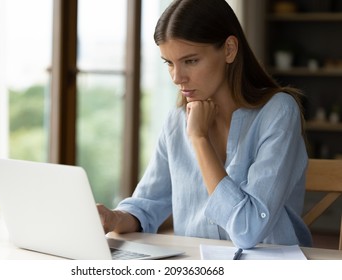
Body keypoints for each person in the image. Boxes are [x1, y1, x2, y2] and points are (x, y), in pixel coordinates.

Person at [97, 0, 312, 249]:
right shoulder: (177, 120)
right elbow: (147, 205)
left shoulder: (278, 112)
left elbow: (248, 230)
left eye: (190, 61)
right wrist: (113, 218)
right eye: (169, 63)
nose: (177, 77)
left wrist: (199, 140)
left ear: (230, 49)